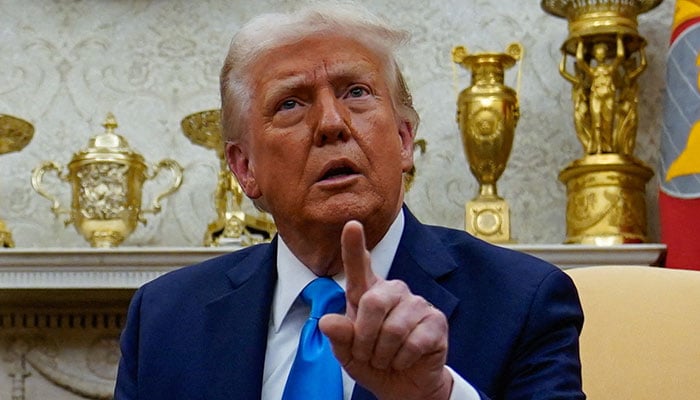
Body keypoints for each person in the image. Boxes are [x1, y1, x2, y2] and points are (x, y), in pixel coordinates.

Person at [114, 3, 584, 400]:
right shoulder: (164, 319)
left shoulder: (522, 301)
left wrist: (437, 395)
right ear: (244, 169)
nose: (332, 123)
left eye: (356, 92)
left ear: (404, 140)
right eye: (291, 103)